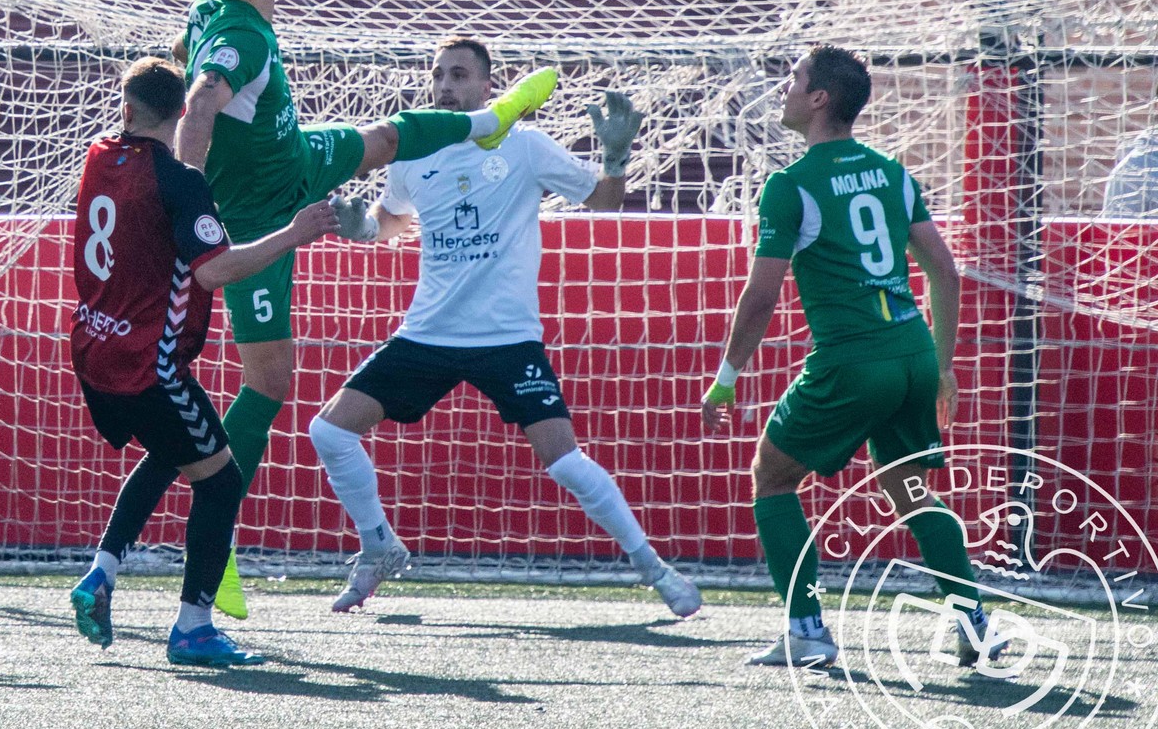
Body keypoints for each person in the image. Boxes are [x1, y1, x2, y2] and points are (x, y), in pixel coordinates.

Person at [174, 0, 556, 616]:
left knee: (388, 137)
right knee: (271, 381)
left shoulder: (208, 9)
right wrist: (185, 199)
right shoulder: (241, 33)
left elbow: (195, 72)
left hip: (294, 156)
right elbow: (199, 104)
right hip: (258, 215)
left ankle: (488, 121)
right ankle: (216, 541)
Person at [307, 37, 701, 617]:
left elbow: (606, 200)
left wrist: (616, 157)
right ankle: (378, 547)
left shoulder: (526, 146)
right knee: (329, 432)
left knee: (565, 460)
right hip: (428, 334)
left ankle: (653, 567)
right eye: (438, 75)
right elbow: (390, 223)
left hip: (507, 339)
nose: (444, 85)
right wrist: (359, 226)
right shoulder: (414, 153)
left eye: (459, 75)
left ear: (491, 88)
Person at [701, 46, 998, 668]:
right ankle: (974, 623)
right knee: (912, 491)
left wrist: (726, 378)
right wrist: (943, 367)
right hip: (913, 353)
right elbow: (944, 271)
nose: (785, 89)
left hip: (851, 360)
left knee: (773, 478)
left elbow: (760, 299)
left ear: (818, 99)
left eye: (795, 80)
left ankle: (807, 631)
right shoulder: (891, 172)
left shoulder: (791, 185)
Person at [67, 58, 339, 666]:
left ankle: (101, 574)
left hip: (92, 353)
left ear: (126, 110)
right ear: (184, 111)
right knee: (221, 481)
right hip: (149, 365)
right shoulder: (182, 181)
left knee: (172, 452)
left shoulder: (96, 157)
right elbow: (213, 270)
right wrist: (294, 233)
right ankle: (192, 628)